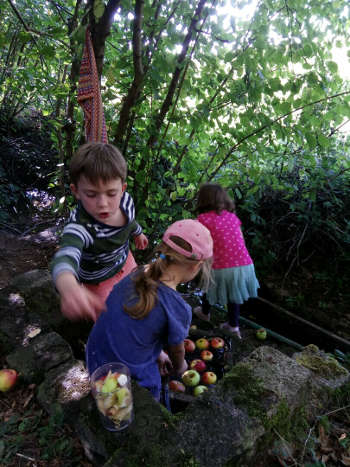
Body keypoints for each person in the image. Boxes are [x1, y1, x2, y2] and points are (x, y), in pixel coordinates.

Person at [86, 219, 213, 400]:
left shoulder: (138, 273)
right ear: (197, 266)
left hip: (96, 356)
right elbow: (177, 352)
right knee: (155, 385)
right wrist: (181, 368)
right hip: (120, 378)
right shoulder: (178, 309)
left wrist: (159, 353)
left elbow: (131, 325)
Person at [50, 142, 148, 322]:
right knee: (108, 316)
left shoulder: (125, 201)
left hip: (125, 261)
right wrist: (68, 285)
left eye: (111, 193)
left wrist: (138, 233)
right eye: (91, 194)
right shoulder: (80, 226)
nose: (103, 203)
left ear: (122, 189)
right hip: (98, 281)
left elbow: (129, 222)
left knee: (135, 293)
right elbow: (66, 256)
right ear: (76, 191)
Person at [194, 183, 259, 339]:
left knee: (207, 283)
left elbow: (200, 244)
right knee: (233, 294)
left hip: (221, 266)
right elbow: (240, 240)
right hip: (244, 264)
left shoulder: (203, 219)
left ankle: (204, 312)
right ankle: (233, 326)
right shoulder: (232, 217)